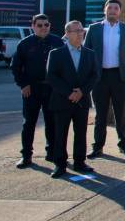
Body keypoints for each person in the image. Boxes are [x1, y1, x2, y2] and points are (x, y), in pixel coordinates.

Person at [47, 21, 99, 178]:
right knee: (60, 133)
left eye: (81, 30)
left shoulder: (90, 53)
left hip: (82, 101)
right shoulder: (56, 53)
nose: (80, 33)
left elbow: (95, 75)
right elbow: (51, 76)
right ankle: (60, 164)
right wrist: (69, 93)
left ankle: (79, 162)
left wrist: (82, 91)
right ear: (67, 34)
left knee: (81, 132)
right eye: (76, 31)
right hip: (62, 100)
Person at [12, 14, 64, 168]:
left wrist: (61, 86)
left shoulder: (57, 42)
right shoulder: (25, 44)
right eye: (40, 25)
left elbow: (64, 65)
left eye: (46, 25)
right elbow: (15, 67)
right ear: (33, 26)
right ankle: (26, 156)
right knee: (29, 123)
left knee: (52, 122)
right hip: (31, 89)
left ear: (49, 26)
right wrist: (23, 84)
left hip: (51, 89)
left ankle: (52, 153)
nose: (43, 28)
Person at [84, 0, 125, 159]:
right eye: (110, 8)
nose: (113, 10)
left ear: (120, 11)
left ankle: (124, 145)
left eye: (116, 8)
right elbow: (86, 52)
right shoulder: (94, 29)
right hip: (100, 77)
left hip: (120, 77)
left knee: (120, 113)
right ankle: (98, 147)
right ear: (104, 10)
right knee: (101, 114)